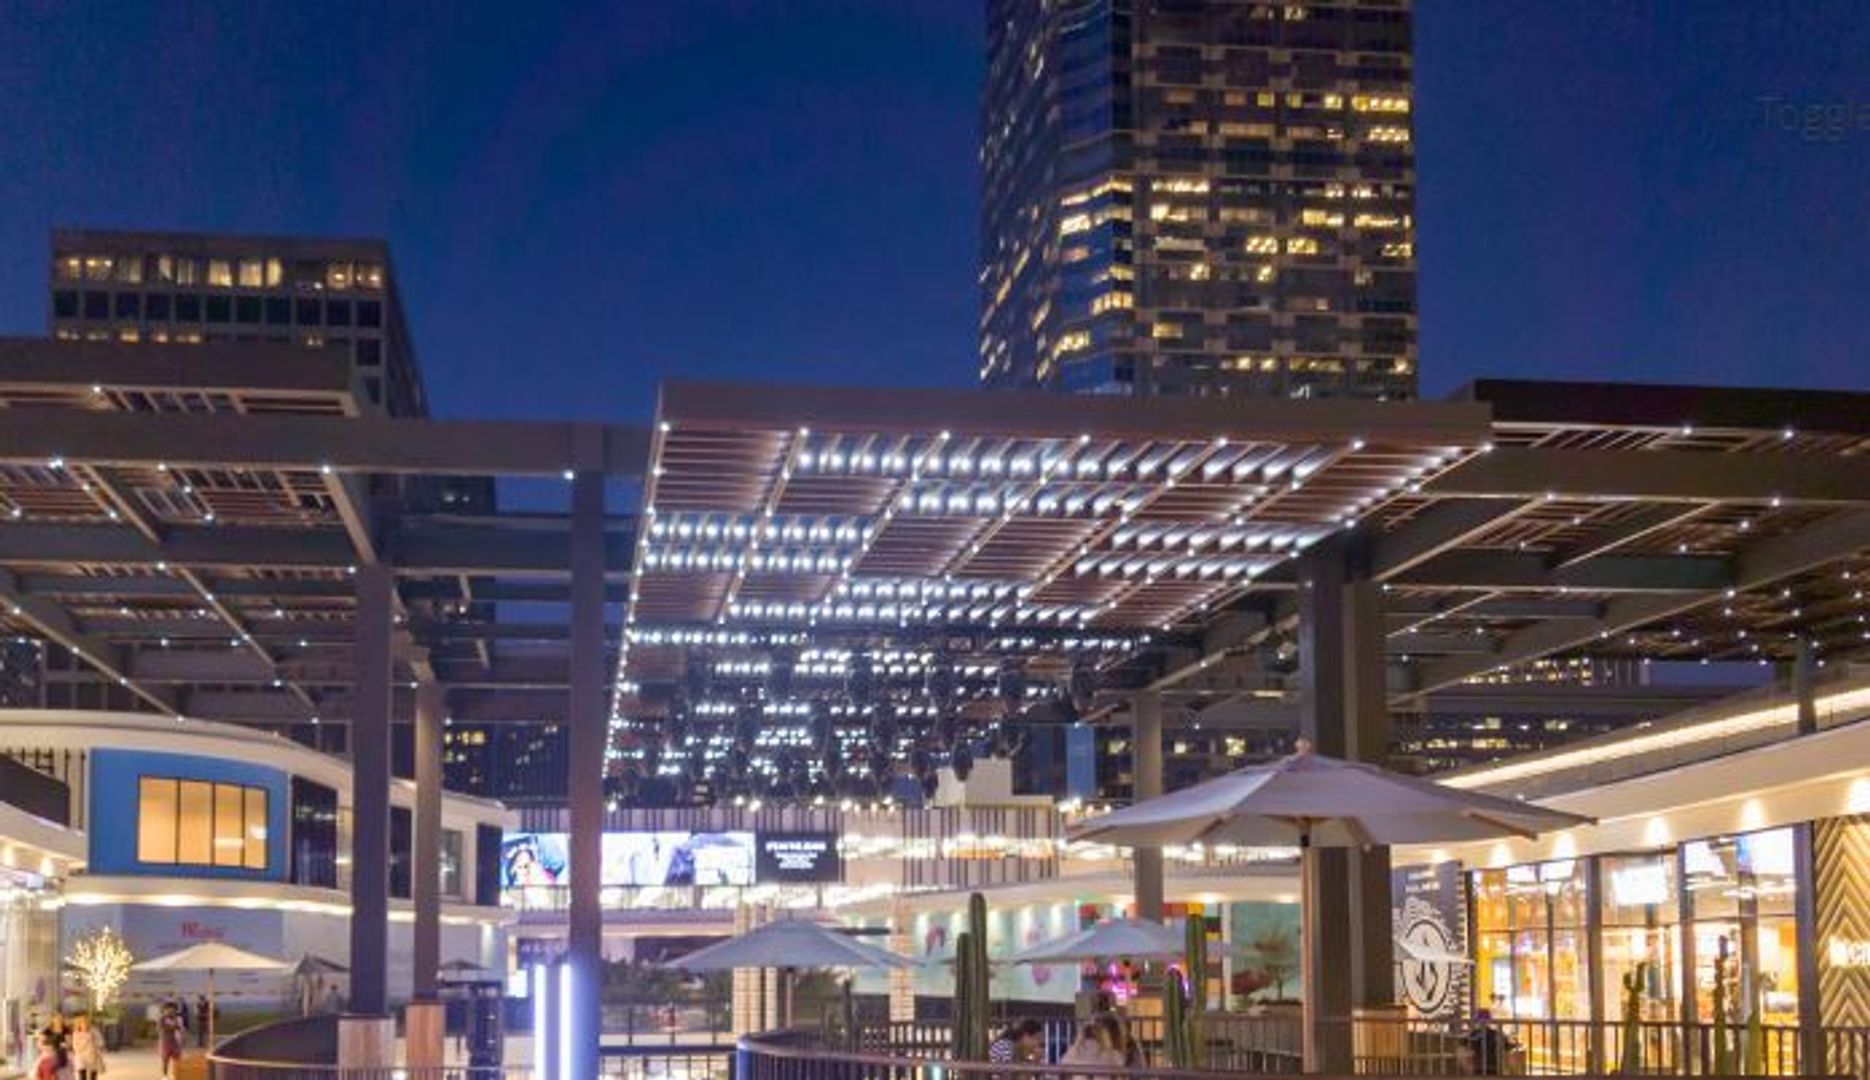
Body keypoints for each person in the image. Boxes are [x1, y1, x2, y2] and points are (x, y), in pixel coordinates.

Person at [1463, 1008, 1517, 1075]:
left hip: (1479, 1066)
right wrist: (1509, 1069)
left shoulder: (1474, 1034)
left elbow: (1464, 1047)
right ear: (1490, 1021)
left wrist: (1467, 1065)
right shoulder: (1496, 1034)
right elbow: (1507, 1050)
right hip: (1494, 1066)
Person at [69, 1015, 105, 1080]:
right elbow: (75, 1045)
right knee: (82, 1075)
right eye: (82, 1023)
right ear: (79, 1024)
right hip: (81, 1056)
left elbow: (100, 1041)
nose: (84, 1024)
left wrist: (97, 1046)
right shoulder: (76, 1033)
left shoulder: (93, 1031)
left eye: (85, 1022)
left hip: (92, 1055)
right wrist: (80, 1047)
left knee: (93, 1076)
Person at [157, 1003, 184, 1079]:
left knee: (177, 1058)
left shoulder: (176, 1018)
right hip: (165, 1041)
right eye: (169, 1009)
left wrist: (176, 1026)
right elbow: (160, 1028)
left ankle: (175, 1073)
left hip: (174, 1041)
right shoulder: (161, 1018)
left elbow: (179, 1027)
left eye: (173, 1010)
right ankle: (165, 1075)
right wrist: (172, 1027)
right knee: (165, 1059)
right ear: (165, 1010)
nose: (171, 1011)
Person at [38, 1014, 68, 1080]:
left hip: (62, 1052)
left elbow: (68, 1044)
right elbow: (40, 1044)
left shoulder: (66, 1030)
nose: (58, 1021)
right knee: (42, 1065)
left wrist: (63, 1046)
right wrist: (47, 1048)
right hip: (48, 1052)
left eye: (60, 1019)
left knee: (56, 1062)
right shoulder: (47, 1031)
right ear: (52, 1020)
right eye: (56, 1019)